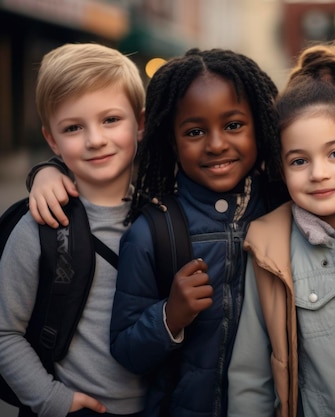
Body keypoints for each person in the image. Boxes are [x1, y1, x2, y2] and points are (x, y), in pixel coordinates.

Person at [26, 48, 288, 417]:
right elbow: (127, 350)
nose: (216, 144)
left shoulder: (286, 205)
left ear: (259, 125)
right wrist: (169, 317)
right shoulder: (153, 229)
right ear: (169, 139)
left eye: (233, 125)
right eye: (195, 131)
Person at [227, 43, 335, 417]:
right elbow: (250, 376)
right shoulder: (270, 250)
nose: (319, 173)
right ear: (281, 168)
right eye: (299, 160)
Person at [0, 43, 146, 417]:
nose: (95, 139)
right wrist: (52, 401)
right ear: (52, 139)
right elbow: (3, 332)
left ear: (141, 123)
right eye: (73, 127)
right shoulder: (42, 225)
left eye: (111, 120)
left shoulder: (165, 210)